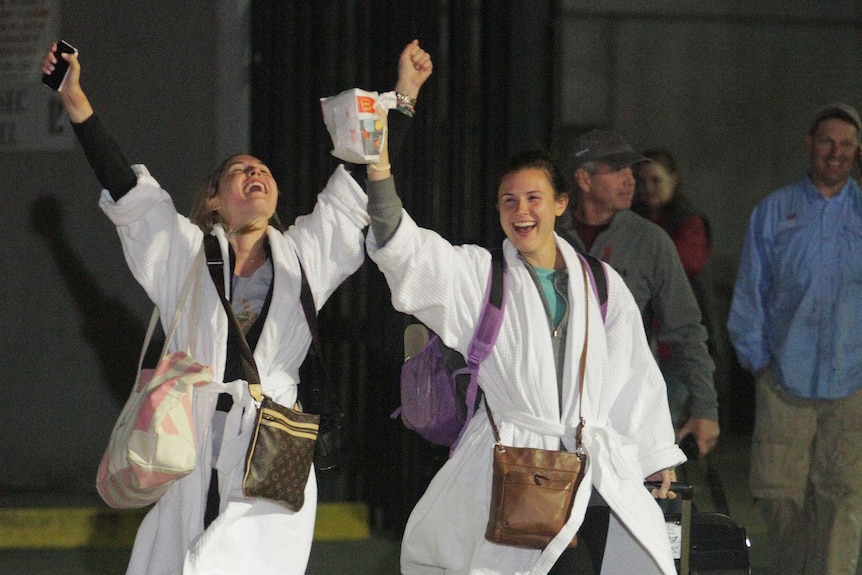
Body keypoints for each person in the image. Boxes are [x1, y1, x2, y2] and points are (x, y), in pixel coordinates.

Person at [41, 40, 432, 575]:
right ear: (214, 201)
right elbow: (125, 187)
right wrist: (75, 98)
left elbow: (361, 182)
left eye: (265, 171)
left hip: (276, 433)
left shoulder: (304, 254)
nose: (257, 174)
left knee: (253, 561)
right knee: (178, 560)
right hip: (191, 434)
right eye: (241, 171)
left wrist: (404, 95)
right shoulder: (184, 253)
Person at [364, 114, 686, 573]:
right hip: (510, 467)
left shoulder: (600, 283)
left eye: (534, 198)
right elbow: (405, 249)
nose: (521, 211)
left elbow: (633, 373)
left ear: (560, 203)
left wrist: (653, 456)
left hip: (591, 471)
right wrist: (378, 169)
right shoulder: (481, 275)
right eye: (508, 201)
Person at [727, 102, 862, 575]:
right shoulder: (774, 212)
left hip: (852, 386)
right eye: (827, 141)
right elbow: (749, 295)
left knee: (843, 500)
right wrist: (760, 363)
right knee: (779, 496)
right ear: (809, 145)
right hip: (784, 381)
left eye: (847, 144)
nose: (836, 152)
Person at [558, 130, 720, 458]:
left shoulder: (650, 241)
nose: (630, 180)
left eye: (630, 171)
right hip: (555, 404)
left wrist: (706, 409)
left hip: (628, 407)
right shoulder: (548, 234)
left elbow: (686, 330)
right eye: (617, 170)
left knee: (637, 502)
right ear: (583, 179)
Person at [632, 149, 725, 428]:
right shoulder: (634, 220)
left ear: (674, 180)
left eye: (656, 180)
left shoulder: (689, 221)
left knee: (665, 420)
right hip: (645, 341)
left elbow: (683, 264)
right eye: (643, 181)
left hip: (677, 343)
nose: (649, 188)